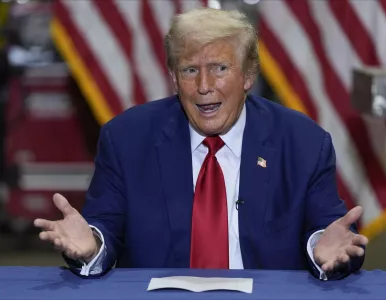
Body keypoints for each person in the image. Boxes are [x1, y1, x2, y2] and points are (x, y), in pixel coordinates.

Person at [34, 8, 368, 280]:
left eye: (219, 68)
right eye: (190, 70)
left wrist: (322, 247)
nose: (204, 86)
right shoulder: (126, 139)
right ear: (174, 78)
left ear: (249, 75)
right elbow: (105, 228)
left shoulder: (303, 142)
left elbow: (329, 231)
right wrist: (93, 245)